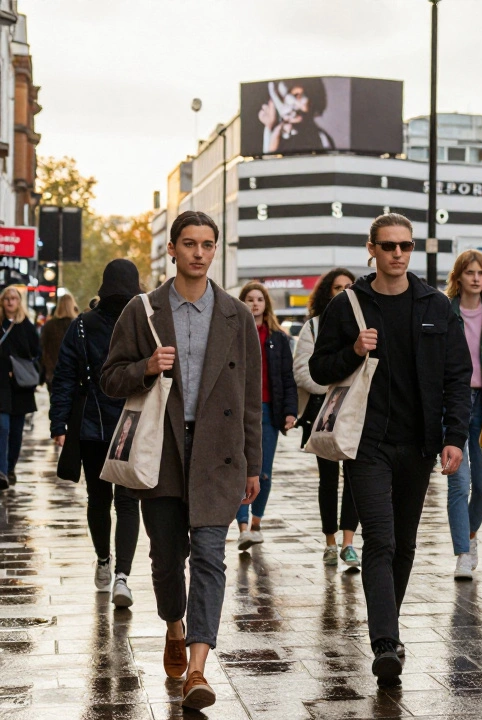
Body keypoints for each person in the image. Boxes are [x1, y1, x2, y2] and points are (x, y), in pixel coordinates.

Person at [101, 211, 262, 711]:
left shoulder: (237, 315)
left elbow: (252, 399)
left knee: (211, 559)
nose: (198, 252)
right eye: (188, 243)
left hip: (218, 453)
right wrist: (146, 368)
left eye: (207, 244)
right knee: (166, 559)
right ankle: (174, 624)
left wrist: (253, 464)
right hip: (162, 451)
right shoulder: (142, 310)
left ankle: (197, 668)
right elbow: (110, 378)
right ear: (171, 249)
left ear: (216, 250)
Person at [309, 213, 470, 688]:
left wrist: (453, 436)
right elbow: (319, 371)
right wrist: (353, 351)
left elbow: (457, 376)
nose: (397, 254)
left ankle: (388, 629)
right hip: (367, 443)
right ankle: (384, 643)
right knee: (380, 541)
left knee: (404, 545)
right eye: (388, 246)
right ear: (372, 249)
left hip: (419, 444)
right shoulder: (348, 306)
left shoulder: (436, 305)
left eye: (405, 246)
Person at [49, 261, 141, 606]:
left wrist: (60, 424)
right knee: (126, 502)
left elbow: (64, 379)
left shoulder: (82, 326)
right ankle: (121, 576)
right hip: (131, 424)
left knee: (100, 500)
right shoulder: (142, 323)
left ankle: (107, 563)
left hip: (92, 426)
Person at [444, 249, 482, 580]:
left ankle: (469, 535)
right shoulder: (444, 313)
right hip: (453, 404)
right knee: (459, 483)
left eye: (481, 272)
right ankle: (462, 554)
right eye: (469, 272)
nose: (475, 278)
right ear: (458, 277)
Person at [294, 268, 361, 567]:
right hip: (323, 410)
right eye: (337, 287)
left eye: (349, 287)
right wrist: (334, 384)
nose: (343, 291)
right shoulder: (312, 327)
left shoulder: (362, 324)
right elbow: (303, 371)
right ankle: (330, 541)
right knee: (328, 479)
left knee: (356, 478)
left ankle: (349, 541)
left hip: (355, 410)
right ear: (327, 292)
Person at [234, 282, 297, 551]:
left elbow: (287, 377)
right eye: (250, 299)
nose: (255, 304)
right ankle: (243, 527)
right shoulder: (234, 334)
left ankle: (256, 524)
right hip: (238, 410)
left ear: (266, 304)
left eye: (259, 299)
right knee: (240, 469)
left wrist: (290, 411)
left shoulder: (278, 338)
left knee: (263, 472)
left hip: (269, 410)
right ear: (243, 303)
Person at [0, 285, 39, 488]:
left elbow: (35, 351)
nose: (10, 301)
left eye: (14, 298)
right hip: (2, 385)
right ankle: (2, 469)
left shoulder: (26, 326)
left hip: (20, 387)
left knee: (16, 431)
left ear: (19, 302)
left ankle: (10, 466)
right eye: (7, 298)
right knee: (3, 427)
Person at [257, 77, 334, 154]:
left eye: (298, 96)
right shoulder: (276, 133)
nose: (304, 102)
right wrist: (270, 128)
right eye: (296, 95)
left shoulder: (321, 139)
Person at [41, 292, 78, 383]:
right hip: (73, 372)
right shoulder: (77, 325)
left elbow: (43, 347)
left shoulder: (49, 325)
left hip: (54, 371)